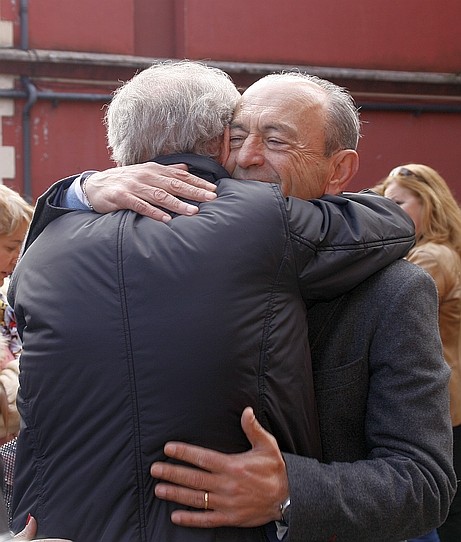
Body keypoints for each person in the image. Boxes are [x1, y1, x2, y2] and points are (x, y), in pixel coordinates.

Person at [8, 61, 417, 542]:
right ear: (221, 142)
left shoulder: (44, 249)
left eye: (276, 140)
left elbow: (422, 480)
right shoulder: (262, 218)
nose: (248, 156)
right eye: (240, 134)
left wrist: (77, 189)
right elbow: (392, 222)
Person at [376, 164, 461, 542]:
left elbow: (392, 313)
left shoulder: (430, 259)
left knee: (431, 514)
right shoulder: (438, 252)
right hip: (448, 404)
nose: (387, 210)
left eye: (398, 202)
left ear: (429, 204)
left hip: (439, 407)